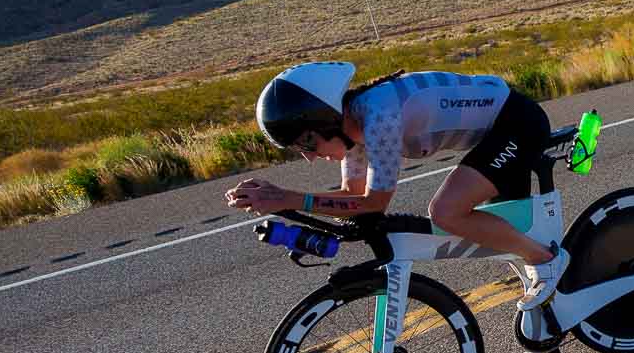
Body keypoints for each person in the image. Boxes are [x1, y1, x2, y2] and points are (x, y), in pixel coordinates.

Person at [225, 61, 568, 311]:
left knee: (447, 211)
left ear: (325, 121)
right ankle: (551, 294)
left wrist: (289, 197)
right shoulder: (354, 129)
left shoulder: (379, 117)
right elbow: (352, 196)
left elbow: (374, 203)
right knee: (507, 234)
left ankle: (546, 259)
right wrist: (284, 201)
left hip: (517, 124)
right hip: (498, 132)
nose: (310, 158)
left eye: (307, 144)